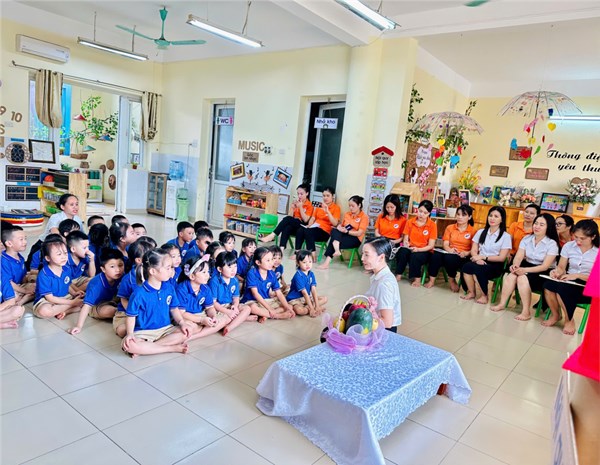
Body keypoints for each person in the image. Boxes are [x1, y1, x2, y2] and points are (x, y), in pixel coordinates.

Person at [122, 249, 193, 356]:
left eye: (171, 267)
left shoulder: (169, 288)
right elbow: (131, 316)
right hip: (144, 332)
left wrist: (182, 323)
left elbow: (174, 309)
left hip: (165, 329)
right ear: (153, 271)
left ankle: (148, 348)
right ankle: (171, 348)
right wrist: (130, 334)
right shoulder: (138, 293)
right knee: (129, 345)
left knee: (186, 332)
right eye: (168, 268)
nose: (171, 271)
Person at [490, 213, 559, 320]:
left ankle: (526, 311)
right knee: (511, 276)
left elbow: (545, 266)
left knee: (522, 278)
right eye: (536, 223)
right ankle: (502, 304)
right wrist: (515, 265)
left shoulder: (552, 243)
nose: (537, 226)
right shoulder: (527, 238)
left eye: (541, 225)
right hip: (527, 266)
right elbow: (518, 256)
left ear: (548, 227)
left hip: (543, 272)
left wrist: (524, 270)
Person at [542, 220, 599, 335]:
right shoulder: (569, 246)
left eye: (582, 238)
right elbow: (561, 267)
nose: (578, 241)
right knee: (548, 286)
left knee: (562, 290)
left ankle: (569, 320)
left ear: (593, 237)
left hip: (589, 285)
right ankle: (556, 315)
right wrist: (556, 272)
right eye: (576, 237)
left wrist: (577, 275)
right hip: (569, 280)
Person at [461, 206, 512, 304]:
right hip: (479, 260)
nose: (492, 218)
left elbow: (501, 258)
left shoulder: (506, 236)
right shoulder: (480, 232)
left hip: (495, 263)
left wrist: (483, 257)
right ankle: (472, 292)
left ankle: (484, 295)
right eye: (490, 215)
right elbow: (474, 250)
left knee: (479, 270)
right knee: (467, 266)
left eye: (496, 216)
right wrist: (477, 259)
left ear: (502, 219)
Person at [68, 249, 125, 334]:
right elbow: (87, 306)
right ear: (103, 269)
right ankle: (122, 314)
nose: (118, 270)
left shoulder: (123, 276)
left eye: (120, 265)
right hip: (97, 305)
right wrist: (78, 326)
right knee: (109, 311)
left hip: (114, 299)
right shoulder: (96, 284)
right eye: (112, 267)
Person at [176, 255, 230, 340]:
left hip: (201, 314)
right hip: (187, 316)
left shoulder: (205, 288)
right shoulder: (181, 289)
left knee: (223, 320)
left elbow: (210, 307)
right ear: (192, 276)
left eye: (208, 271)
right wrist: (201, 320)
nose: (207, 275)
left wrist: (213, 316)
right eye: (203, 272)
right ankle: (202, 330)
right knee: (191, 326)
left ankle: (194, 336)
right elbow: (181, 313)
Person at [27, 193, 84, 270]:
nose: (75, 207)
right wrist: (70, 244)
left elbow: (81, 235)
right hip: (45, 245)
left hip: (64, 247)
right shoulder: (56, 217)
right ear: (62, 206)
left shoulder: (78, 219)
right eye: (71, 205)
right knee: (32, 268)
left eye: (76, 204)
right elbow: (55, 232)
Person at [33, 236, 84, 319]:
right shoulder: (44, 274)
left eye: (65, 253)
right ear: (48, 258)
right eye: (59, 254)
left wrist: (74, 293)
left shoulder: (67, 269)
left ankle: (65, 311)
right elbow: (50, 298)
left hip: (64, 297)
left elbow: (67, 284)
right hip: (47, 301)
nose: (64, 257)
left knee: (86, 302)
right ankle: (71, 306)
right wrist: (72, 302)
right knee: (44, 311)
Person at [425, 205, 475, 291]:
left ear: (469, 217)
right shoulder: (450, 227)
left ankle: (452, 280)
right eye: (458, 214)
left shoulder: (473, 231)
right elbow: (445, 244)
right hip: (449, 252)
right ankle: (431, 280)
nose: (460, 217)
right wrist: (450, 250)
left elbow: (474, 249)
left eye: (463, 215)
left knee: (449, 258)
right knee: (435, 255)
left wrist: (465, 253)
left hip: (463, 256)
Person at [113, 239, 155, 337]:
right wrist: (133, 313)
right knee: (122, 330)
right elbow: (123, 299)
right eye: (150, 255)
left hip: (148, 310)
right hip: (127, 312)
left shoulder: (154, 273)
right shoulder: (128, 279)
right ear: (138, 260)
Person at [241, 247, 295, 321]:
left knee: (289, 306)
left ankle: (265, 314)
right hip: (252, 301)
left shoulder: (272, 274)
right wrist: (270, 309)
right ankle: (277, 315)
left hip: (266, 300)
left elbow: (279, 293)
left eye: (272, 259)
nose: (271, 262)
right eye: (268, 260)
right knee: (253, 307)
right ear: (258, 262)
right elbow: (255, 294)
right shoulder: (252, 273)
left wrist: (287, 308)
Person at [208, 251, 254, 336]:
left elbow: (236, 297)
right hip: (218, 308)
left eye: (235, 266)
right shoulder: (214, 281)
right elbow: (213, 303)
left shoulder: (234, 280)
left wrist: (235, 306)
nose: (233, 270)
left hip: (229, 305)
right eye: (229, 267)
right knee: (223, 319)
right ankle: (239, 319)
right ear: (220, 269)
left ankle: (229, 327)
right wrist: (228, 312)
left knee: (247, 309)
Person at [318, 195, 368, 270]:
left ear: (359, 205)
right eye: (349, 206)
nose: (350, 208)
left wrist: (347, 231)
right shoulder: (347, 214)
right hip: (344, 235)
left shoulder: (364, 217)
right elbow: (342, 225)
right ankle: (336, 249)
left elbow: (359, 233)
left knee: (334, 240)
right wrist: (339, 227)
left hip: (355, 239)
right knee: (334, 230)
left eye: (353, 206)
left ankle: (327, 262)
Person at [362, 237, 401, 332]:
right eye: (362, 254)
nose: (362, 258)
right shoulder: (379, 276)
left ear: (381, 257)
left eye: (366, 255)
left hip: (384, 331)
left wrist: (361, 320)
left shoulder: (384, 284)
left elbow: (387, 322)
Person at [395, 200, 437, 286]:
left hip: (424, 250)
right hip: (411, 247)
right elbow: (405, 239)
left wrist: (418, 249)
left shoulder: (432, 225)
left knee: (415, 256)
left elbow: (431, 245)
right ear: (417, 210)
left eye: (425, 213)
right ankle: (398, 275)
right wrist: (406, 244)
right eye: (420, 211)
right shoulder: (410, 222)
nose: (421, 214)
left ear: (429, 213)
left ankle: (417, 278)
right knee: (402, 252)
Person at [259, 183, 314, 250]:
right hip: (294, 223)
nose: (299, 196)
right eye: (298, 194)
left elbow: (305, 220)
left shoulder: (309, 205)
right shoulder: (297, 202)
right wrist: (292, 208)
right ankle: (281, 249)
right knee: (286, 227)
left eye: (301, 194)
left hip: (302, 225)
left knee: (288, 219)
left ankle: (272, 235)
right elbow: (290, 216)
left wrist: (300, 207)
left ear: (307, 193)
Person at [294, 186, 341, 261]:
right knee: (300, 230)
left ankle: (313, 255)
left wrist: (328, 212)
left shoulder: (336, 208)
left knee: (308, 232)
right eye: (324, 196)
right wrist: (309, 225)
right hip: (314, 228)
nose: (325, 198)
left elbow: (335, 223)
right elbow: (313, 218)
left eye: (328, 196)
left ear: (333, 196)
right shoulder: (319, 206)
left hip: (324, 231)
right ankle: (297, 253)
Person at [286, 250, 327, 317]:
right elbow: (304, 293)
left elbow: (313, 290)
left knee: (324, 298)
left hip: (306, 298)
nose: (308, 264)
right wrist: (311, 309)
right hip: (295, 299)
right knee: (299, 311)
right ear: (297, 263)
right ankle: (310, 308)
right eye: (304, 262)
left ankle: (312, 307)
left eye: (310, 262)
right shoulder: (298, 276)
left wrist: (317, 306)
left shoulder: (311, 274)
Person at [1, 225, 35, 305]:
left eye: (25, 238)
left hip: (19, 286)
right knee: (14, 296)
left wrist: (29, 280)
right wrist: (25, 291)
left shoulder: (20, 258)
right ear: (9, 243)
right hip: (8, 288)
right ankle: (21, 301)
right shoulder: (3, 261)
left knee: (38, 285)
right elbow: (8, 282)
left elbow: (23, 277)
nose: (25, 242)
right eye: (21, 239)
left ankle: (22, 299)